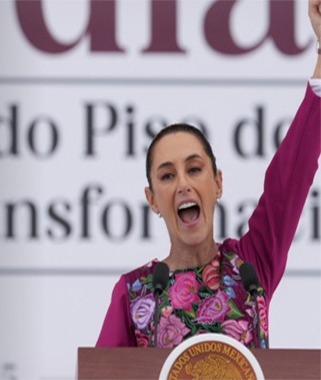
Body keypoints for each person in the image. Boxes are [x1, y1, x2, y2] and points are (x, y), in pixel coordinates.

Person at [96, 0, 321, 349]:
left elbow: (290, 178)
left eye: (195, 169)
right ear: (152, 199)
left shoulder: (249, 271)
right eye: (167, 176)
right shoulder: (135, 295)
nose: (184, 183)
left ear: (217, 183)